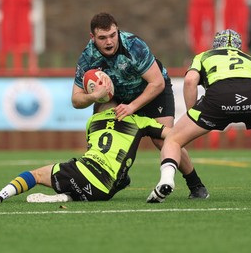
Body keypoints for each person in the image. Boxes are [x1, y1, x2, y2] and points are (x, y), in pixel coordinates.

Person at [147, 29, 251, 202]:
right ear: (239, 47)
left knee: (173, 140)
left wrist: (194, 114)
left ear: (215, 45)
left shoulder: (204, 56)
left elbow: (190, 80)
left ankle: (166, 180)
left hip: (219, 98)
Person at [71, 12, 209, 199]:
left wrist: (132, 107)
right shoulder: (88, 57)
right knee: (101, 126)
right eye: (102, 38)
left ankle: (196, 185)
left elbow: (157, 83)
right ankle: (104, 177)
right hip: (119, 96)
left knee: (166, 140)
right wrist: (94, 96)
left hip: (153, 92)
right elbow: (76, 100)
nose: (109, 42)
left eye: (112, 35)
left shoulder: (133, 46)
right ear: (92, 37)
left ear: (117, 30)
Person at [0, 99, 174, 203]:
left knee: (35, 175)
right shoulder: (139, 120)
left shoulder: (93, 121)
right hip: (105, 190)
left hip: (84, 175)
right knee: (125, 179)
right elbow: (173, 135)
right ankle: (68, 196)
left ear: (97, 109)